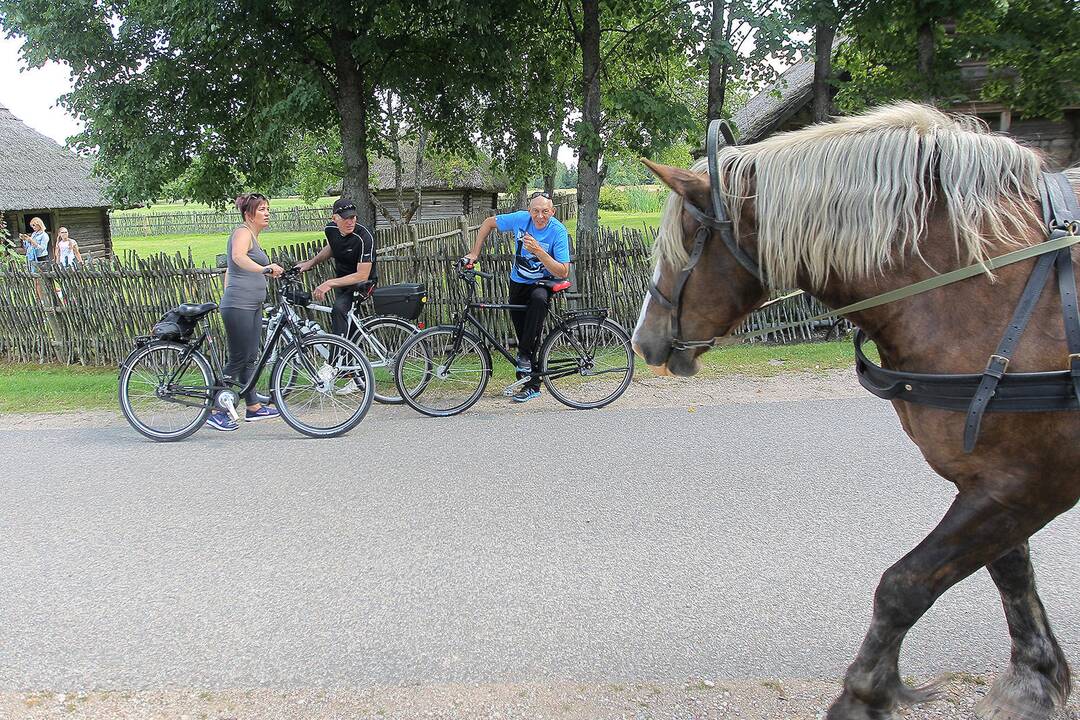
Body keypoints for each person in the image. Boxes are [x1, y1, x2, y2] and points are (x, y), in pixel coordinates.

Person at [462, 191, 570, 402]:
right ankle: (525, 375)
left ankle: (532, 384)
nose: (540, 216)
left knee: (533, 331)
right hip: (518, 283)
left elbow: (563, 271)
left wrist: (539, 251)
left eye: (545, 212)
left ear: (553, 211)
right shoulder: (520, 219)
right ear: (529, 211)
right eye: (536, 211)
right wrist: (474, 253)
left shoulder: (558, 231)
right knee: (524, 332)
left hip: (542, 284)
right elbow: (487, 223)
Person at [209, 192, 284, 431]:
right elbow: (237, 257)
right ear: (248, 214)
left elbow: (230, 271)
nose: (267, 213)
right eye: (262, 209)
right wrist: (264, 269)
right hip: (239, 306)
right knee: (239, 358)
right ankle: (215, 410)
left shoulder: (253, 236)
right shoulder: (242, 232)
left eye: (267, 208)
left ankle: (253, 407)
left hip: (249, 305)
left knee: (251, 355)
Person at [296, 197, 377, 395]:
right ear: (335, 218)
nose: (351, 221)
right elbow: (332, 247)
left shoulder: (364, 236)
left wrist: (329, 282)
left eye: (354, 217)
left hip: (362, 283)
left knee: (339, 310)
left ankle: (332, 366)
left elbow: (362, 275)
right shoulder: (330, 230)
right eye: (346, 218)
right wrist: (310, 263)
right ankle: (354, 375)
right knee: (346, 328)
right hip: (343, 281)